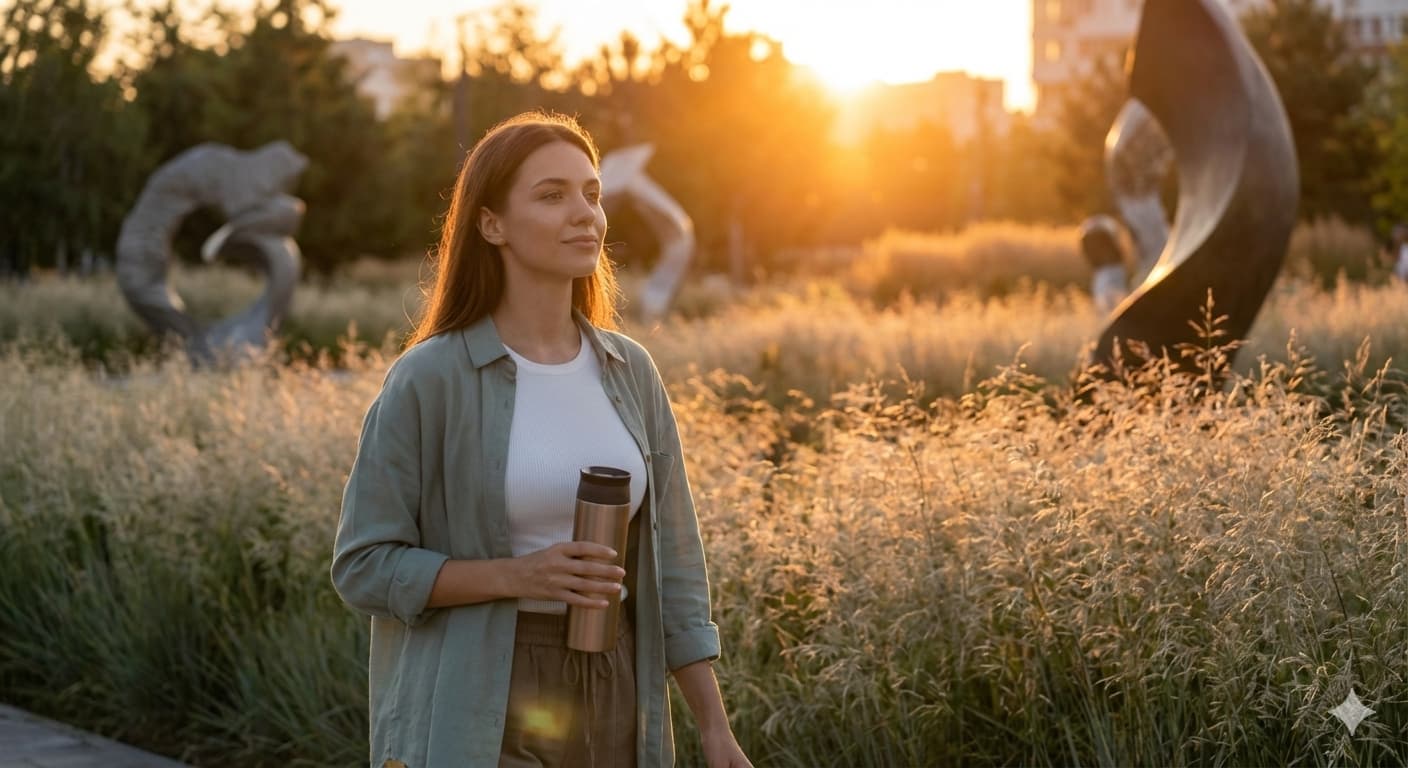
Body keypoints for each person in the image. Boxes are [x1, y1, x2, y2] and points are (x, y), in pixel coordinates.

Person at [331, 111, 752, 768]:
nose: (584, 213)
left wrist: (714, 728)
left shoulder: (629, 370)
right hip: (483, 690)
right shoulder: (431, 378)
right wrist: (514, 575)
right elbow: (362, 565)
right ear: (491, 223)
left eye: (592, 193)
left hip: (616, 681)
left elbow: (675, 567)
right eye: (552, 195)